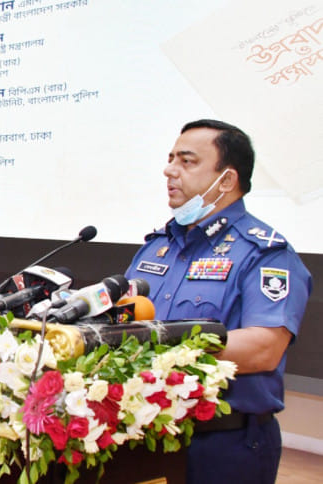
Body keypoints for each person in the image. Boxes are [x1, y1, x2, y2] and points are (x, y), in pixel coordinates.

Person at [125, 119, 312, 483]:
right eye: (170, 159)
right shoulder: (157, 247)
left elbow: (264, 348)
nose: (169, 170)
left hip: (224, 444)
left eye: (187, 161)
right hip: (148, 436)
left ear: (226, 180)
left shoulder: (265, 254)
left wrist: (160, 349)